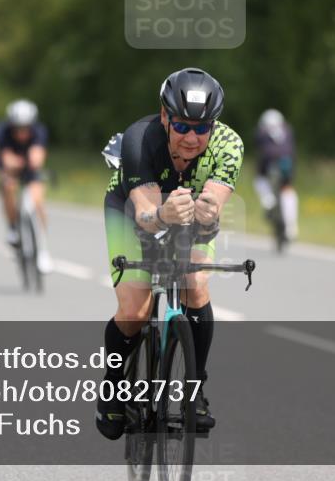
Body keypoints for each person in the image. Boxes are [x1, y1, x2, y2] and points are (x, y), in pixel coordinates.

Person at [96, 67, 244, 440]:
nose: (192, 137)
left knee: (195, 283)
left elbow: (213, 202)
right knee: (135, 309)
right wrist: (162, 214)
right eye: (181, 127)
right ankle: (113, 386)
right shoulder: (138, 139)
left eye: (202, 127)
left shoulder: (229, 145)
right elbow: (145, 213)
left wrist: (207, 212)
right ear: (165, 117)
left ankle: (195, 389)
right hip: (132, 210)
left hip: (189, 214)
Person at [0, 99, 52, 274]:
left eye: (25, 128)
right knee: (8, 187)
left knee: (38, 200)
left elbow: (39, 155)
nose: (21, 132)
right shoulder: (2, 132)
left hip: (30, 168)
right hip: (9, 168)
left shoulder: (39, 132)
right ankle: (12, 228)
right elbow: (6, 158)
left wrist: (34, 158)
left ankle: (42, 250)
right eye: (17, 128)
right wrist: (13, 163)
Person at [253, 108, 298, 241]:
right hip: (286, 164)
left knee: (259, 180)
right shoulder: (288, 130)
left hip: (267, 165)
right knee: (288, 190)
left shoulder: (261, 131)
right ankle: (291, 227)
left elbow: (257, 144)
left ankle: (268, 200)